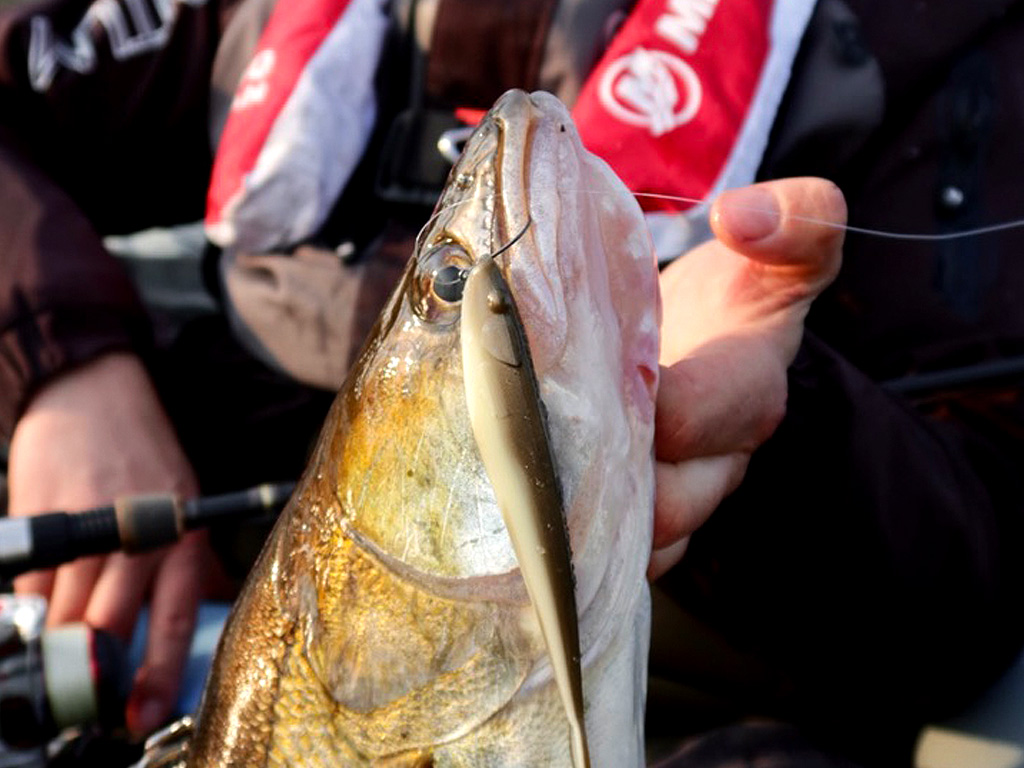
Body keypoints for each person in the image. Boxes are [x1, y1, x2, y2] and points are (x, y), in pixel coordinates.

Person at [0, 0, 1022, 765]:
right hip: (187, 588)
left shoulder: (929, 40)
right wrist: (64, 369)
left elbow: (969, 592)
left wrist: (781, 420)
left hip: (713, 664)